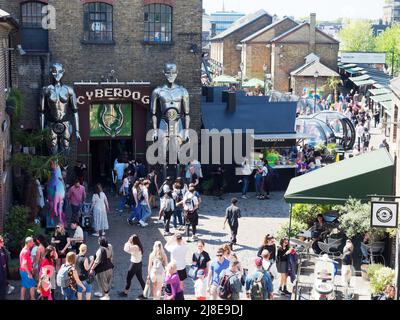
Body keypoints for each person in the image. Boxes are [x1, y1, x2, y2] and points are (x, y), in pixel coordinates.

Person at [119, 235, 146, 299]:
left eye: (131, 239)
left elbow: (125, 249)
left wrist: (128, 241)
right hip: (139, 264)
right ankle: (145, 294)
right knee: (140, 279)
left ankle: (125, 293)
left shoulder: (135, 247)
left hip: (134, 264)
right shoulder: (139, 245)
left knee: (128, 279)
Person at [0, 235, 9, 300]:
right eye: (1, 241)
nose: (3, 242)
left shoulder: (3, 249)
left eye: (3, 241)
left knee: (3, 293)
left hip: (4, 275)